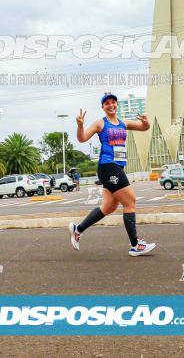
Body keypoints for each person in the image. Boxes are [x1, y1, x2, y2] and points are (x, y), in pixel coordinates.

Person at [68, 93, 155, 256]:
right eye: (107, 103)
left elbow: (144, 128)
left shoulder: (123, 122)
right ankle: (135, 245)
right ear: (103, 107)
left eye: (113, 102)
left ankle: (77, 229)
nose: (111, 105)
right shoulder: (100, 123)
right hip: (108, 166)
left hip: (118, 167)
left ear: (117, 105)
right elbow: (82, 138)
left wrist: (145, 121)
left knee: (109, 207)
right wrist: (80, 125)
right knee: (130, 201)